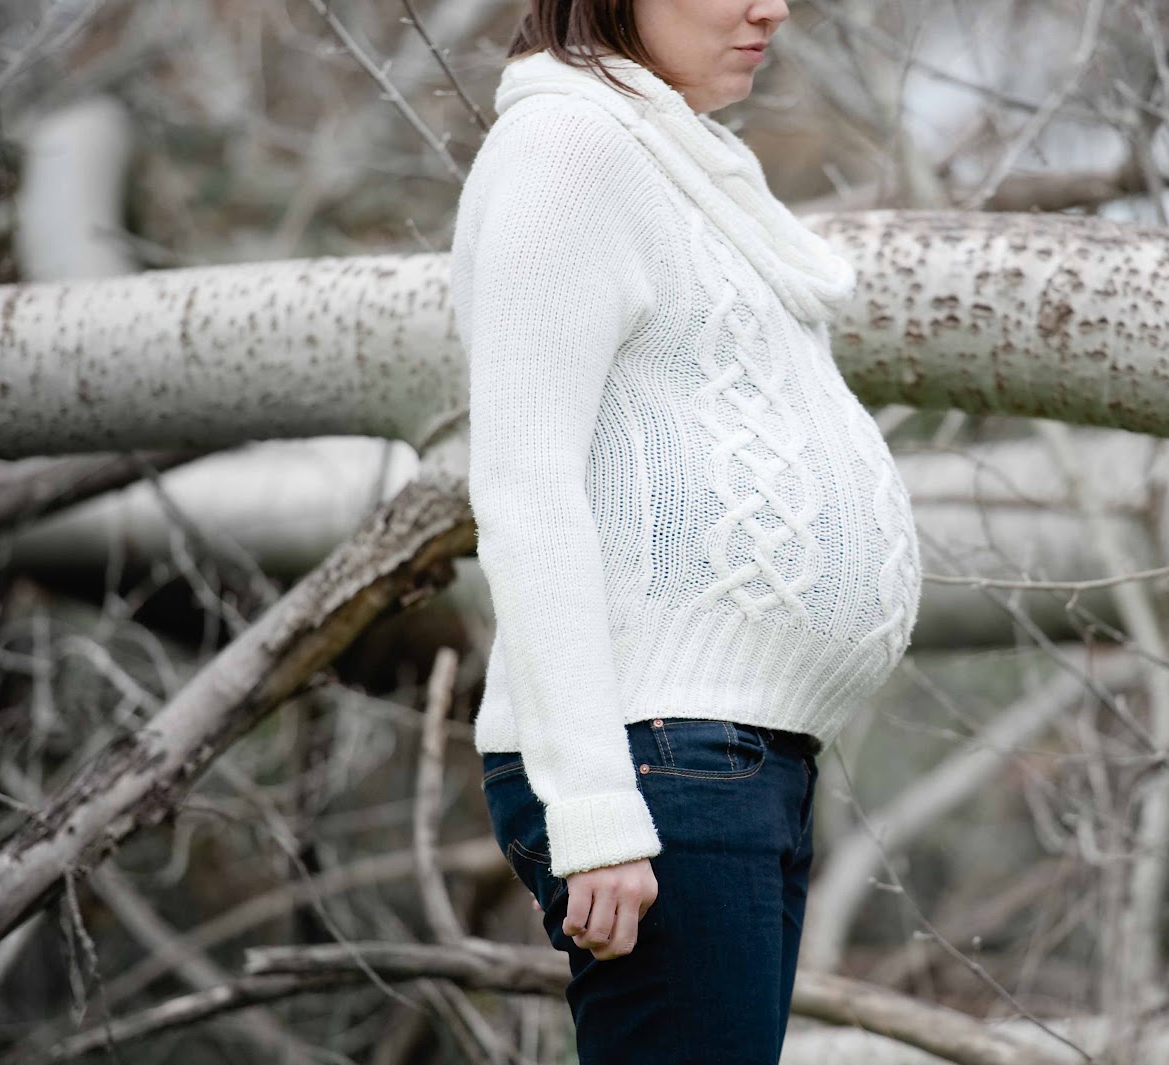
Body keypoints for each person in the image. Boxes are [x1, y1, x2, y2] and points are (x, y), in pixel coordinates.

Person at [450, 0, 922, 1060]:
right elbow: (525, 489)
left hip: (727, 761)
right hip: (657, 763)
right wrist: (595, 810)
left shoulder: (676, 163)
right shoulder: (567, 146)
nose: (772, 7)